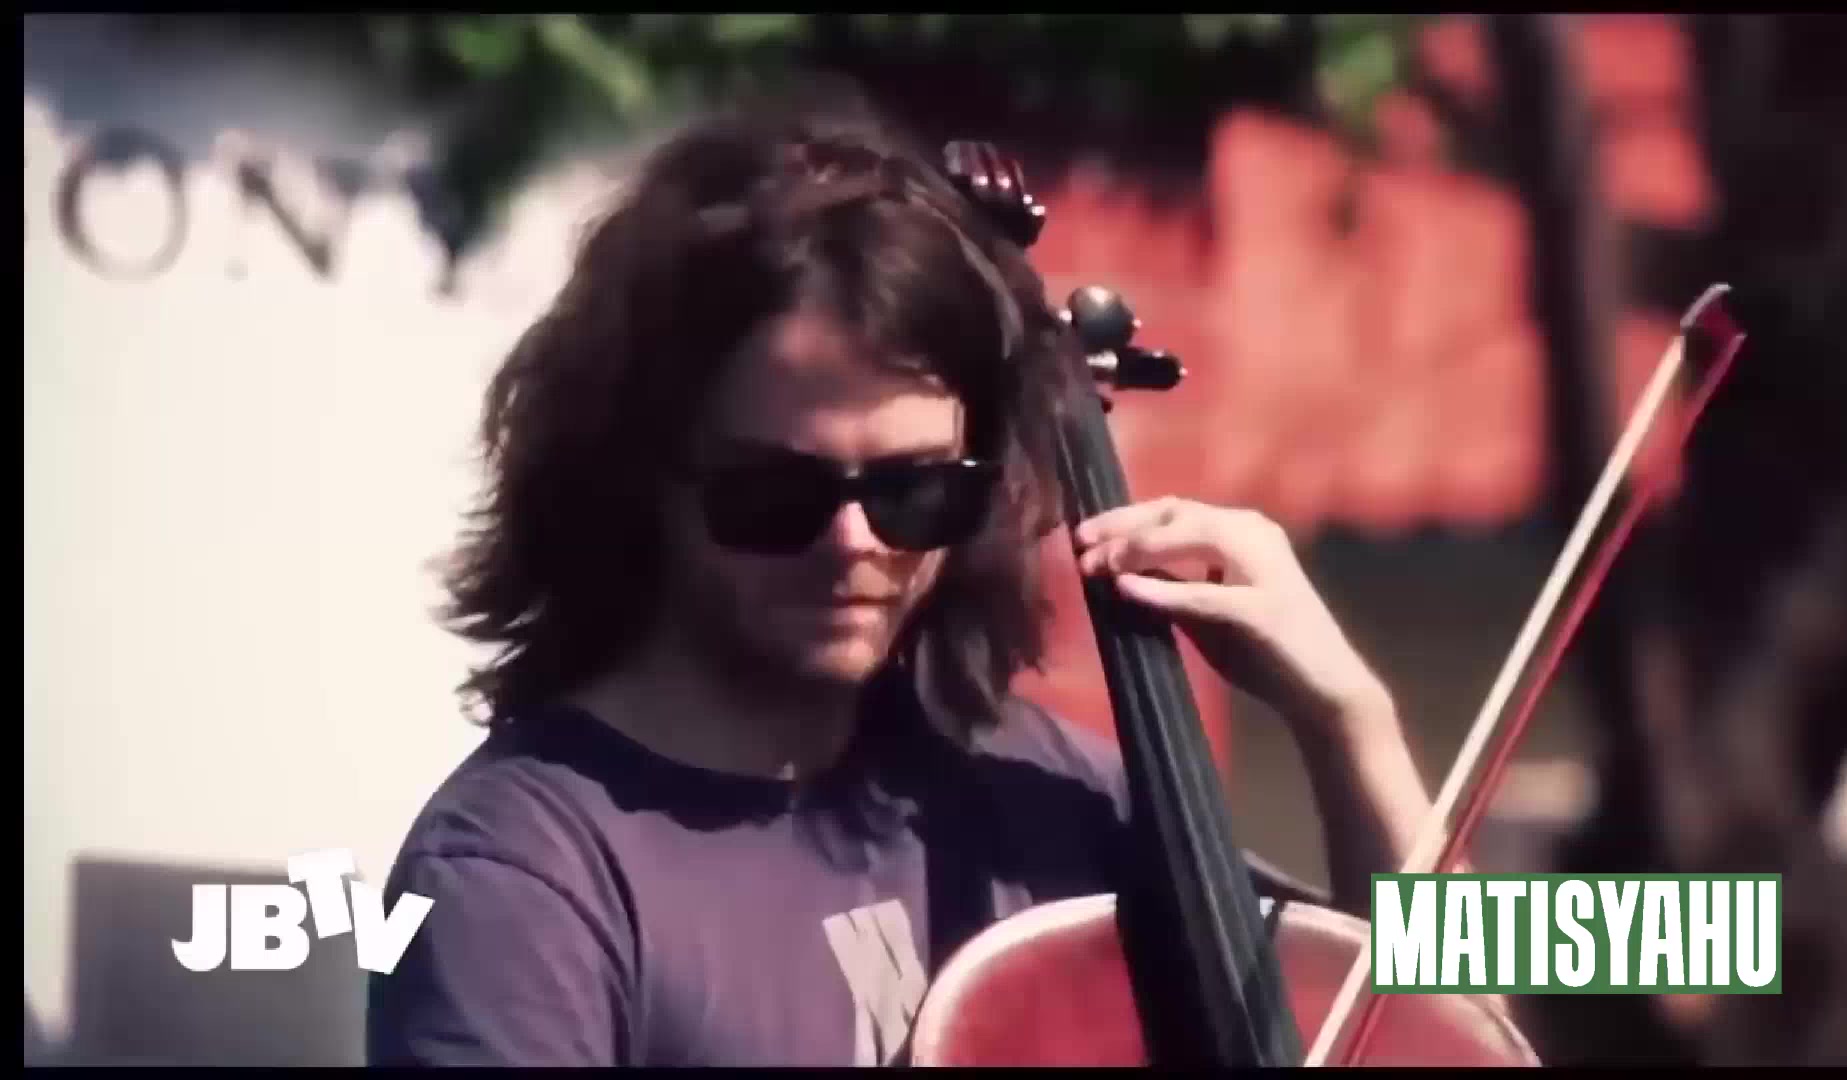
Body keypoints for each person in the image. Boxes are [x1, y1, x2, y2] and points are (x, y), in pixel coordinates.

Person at [365, 84, 1439, 1067]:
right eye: (774, 493)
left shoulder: (1044, 786)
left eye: (917, 490)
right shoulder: (519, 876)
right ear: (639, 473)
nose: (855, 542)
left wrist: (1353, 722)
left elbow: (1476, 998)